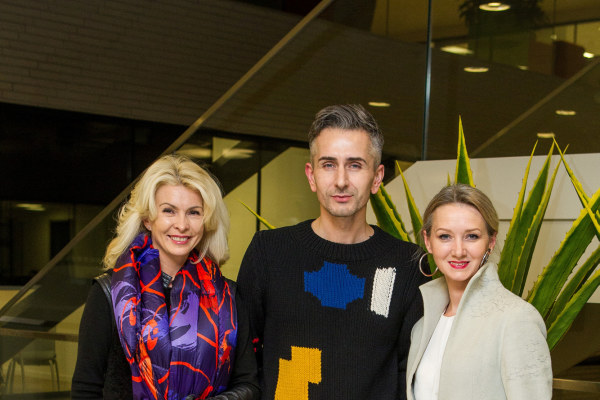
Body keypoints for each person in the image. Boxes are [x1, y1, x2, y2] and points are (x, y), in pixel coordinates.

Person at [237, 104, 428, 400]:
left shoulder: (406, 264)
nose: (341, 180)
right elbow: (243, 364)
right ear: (311, 175)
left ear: (377, 177)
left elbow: (410, 375)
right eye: (328, 164)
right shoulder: (269, 252)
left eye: (355, 165)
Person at [72, 155, 260, 400]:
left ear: (206, 221)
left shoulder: (227, 297)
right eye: (169, 211)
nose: (181, 225)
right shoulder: (109, 293)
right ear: (148, 219)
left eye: (194, 212)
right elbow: (86, 390)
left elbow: (249, 384)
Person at [406, 184, 553, 400]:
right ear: (428, 241)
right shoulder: (422, 326)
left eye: (472, 236)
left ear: (490, 242)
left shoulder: (517, 319)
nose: (458, 251)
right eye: (445, 236)